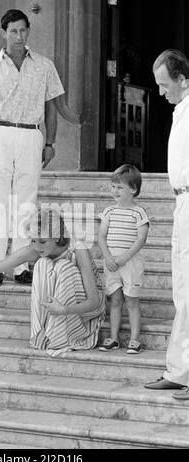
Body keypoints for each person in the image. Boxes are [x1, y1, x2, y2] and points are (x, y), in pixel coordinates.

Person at [0, 9, 65, 286]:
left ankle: (21, 266)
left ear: (28, 31)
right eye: (13, 31)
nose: (18, 36)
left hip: (31, 135)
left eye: (23, 30)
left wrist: (50, 143)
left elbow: (51, 107)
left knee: (26, 205)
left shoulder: (45, 66)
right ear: (3, 32)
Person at [0, 208, 106, 357]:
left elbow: (94, 302)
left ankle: (62, 337)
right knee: (42, 264)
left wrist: (64, 310)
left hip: (84, 311)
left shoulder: (78, 250)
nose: (37, 246)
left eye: (42, 241)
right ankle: (44, 334)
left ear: (56, 237)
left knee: (63, 266)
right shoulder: (37, 250)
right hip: (56, 309)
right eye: (33, 240)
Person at [145, 50, 189, 400]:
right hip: (181, 201)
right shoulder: (180, 111)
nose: (160, 92)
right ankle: (179, 370)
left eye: (164, 84)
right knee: (181, 292)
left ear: (183, 79)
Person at [98, 164, 149, 354]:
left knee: (132, 301)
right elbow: (101, 237)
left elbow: (141, 239)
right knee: (116, 300)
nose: (114, 191)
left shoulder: (139, 213)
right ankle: (113, 338)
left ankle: (135, 340)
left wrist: (123, 258)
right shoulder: (109, 212)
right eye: (113, 186)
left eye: (120, 187)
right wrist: (109, 258)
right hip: (111, 264)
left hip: (130, 263)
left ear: (133, 189)